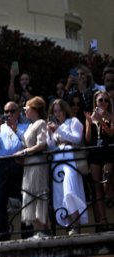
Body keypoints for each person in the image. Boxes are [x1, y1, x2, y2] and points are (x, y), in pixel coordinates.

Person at [48, 98, 88, 233]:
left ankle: (76, 226)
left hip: (71, 159)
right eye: (55, 111)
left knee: (70, 190)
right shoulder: (56, 125)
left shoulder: (74, 121)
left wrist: (59, 130)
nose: (58, 113)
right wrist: (49, 133)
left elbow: (77, 138)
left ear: (65, 110)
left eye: (60, 110)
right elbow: (51, 146)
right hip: (57, 161)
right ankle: (69, 225)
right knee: (60, 193)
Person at [0, 102, 24, 241]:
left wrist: (16, 129)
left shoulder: (24, 127)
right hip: (1, 164)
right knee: (0, 200)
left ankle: (27, 231)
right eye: (6, 111)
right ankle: (3, 233)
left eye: (12, 111)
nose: (9, 114)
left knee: (24, 198)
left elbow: (26, 144)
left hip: (18, 163)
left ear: (18, 112)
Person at [17, 97, 51, 239]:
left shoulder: (40, 123)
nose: (24, 110)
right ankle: (39, 231)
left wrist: (24, 152)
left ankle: (44, 231)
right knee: (30, 196)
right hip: (29, 165)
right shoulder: (30, 125)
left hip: (37, 164)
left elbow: (42, 144)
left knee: (39, 195)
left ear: (34, 109)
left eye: (27, 107)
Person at [84, 90, 114, 230]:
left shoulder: (111, 116)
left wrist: (101, 120)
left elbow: (111, 133)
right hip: (95, 153)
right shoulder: (91, 116)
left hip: (108, 152)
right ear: (95, 102)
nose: (103, 102)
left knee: (106, 181)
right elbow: (88, 139)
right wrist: (89, 122)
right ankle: (103, 220)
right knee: (97, 189)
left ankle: (111, 214)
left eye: (106, 100)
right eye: (100, 100)